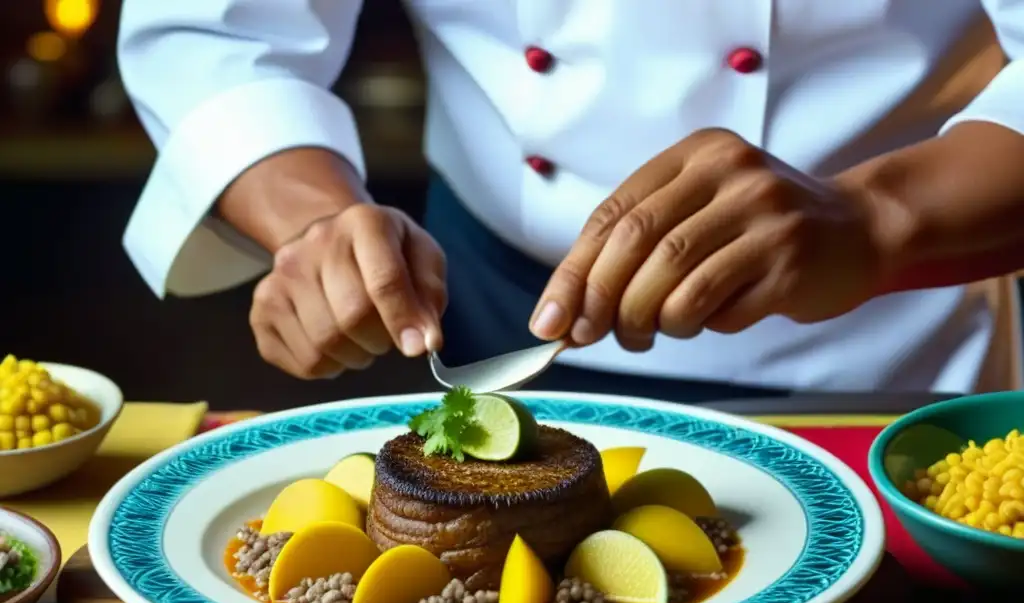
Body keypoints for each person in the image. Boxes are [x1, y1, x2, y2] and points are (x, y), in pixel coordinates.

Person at [116, 1, 1024, 403]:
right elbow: (217, 29)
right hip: (490, 315)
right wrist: (311, 223)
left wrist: (873, 222)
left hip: (876, 352)